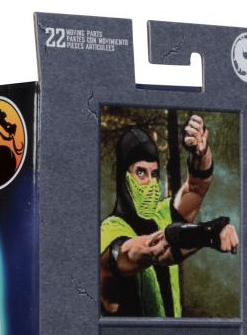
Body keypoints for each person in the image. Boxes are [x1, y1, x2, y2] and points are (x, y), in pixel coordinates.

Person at [100, 115, 239, 317]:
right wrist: (208, 234)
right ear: (124, 176)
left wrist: (201, 153)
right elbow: (151, 250)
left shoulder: (163, 214)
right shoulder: (109, 230)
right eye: (141, 173)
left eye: (154, 174)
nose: (150, 183)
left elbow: (196, 187)